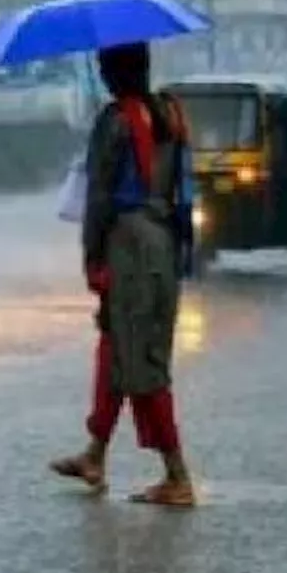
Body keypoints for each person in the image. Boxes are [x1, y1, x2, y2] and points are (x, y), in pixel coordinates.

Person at [49, 42, 197, 507]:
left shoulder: (114, 123)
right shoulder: (172, 114)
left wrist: (92, 258)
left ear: (115, 72)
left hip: (128, 245)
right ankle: (95, 454)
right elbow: (187, 188)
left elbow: (97, 198)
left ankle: (178, 475)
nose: (101, 72)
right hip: (164, 242)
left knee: (141, 361)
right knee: (118, 349)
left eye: (103, 66)